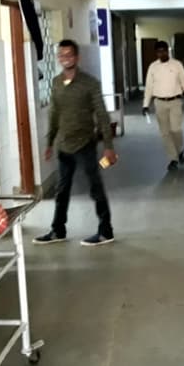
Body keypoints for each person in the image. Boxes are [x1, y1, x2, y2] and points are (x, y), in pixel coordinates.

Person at [34, 40, 118, 246]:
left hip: (85, 144)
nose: (65, 58)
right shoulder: (56, 82)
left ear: (77, 57)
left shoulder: (90, 83)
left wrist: (108, 146)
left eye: (69, 55)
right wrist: (50, 142)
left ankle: (106, 231)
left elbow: (102, 115)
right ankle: (58, 230)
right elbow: (54, 114)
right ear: (58, 58)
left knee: (95, 187)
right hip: (63, 146)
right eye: (61, 55)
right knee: (62, 190)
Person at [142, 41, 184, 171]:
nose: (162, 54)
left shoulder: (177, 65)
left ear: (168, 51)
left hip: (175, 101)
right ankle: (173, 158)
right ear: (156, 53)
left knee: (175, 129)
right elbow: (149, 87)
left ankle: (179, 149)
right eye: (159, 52)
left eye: (164, 51)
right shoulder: (153, 67)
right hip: (159, 102)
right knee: (165, 133)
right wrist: (145, 104)